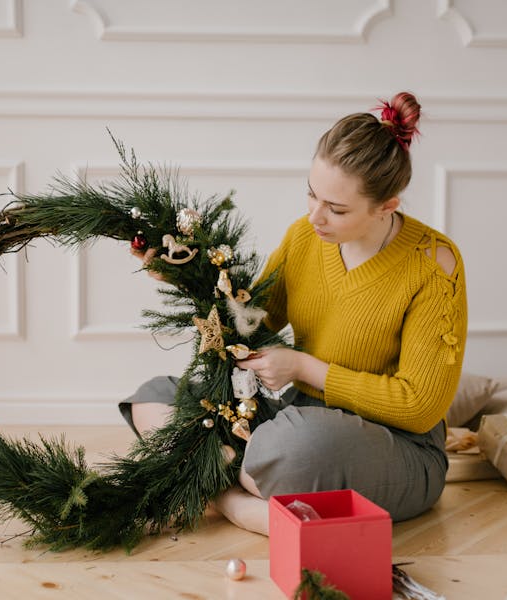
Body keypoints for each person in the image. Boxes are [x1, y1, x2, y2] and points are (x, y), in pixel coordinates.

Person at [121, 91, 467, 535]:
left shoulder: (435, 264)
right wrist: (186, 275)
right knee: (155, 396)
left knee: (293, 449)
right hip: (296, 418)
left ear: (386, 206)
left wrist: (304, 367)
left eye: (336, 209)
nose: (315, 216)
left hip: (394, 446)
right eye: (311, 194)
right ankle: (242, 489)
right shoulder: (305, 238)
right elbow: (251, 323)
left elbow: (418, 407)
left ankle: (222, 494)